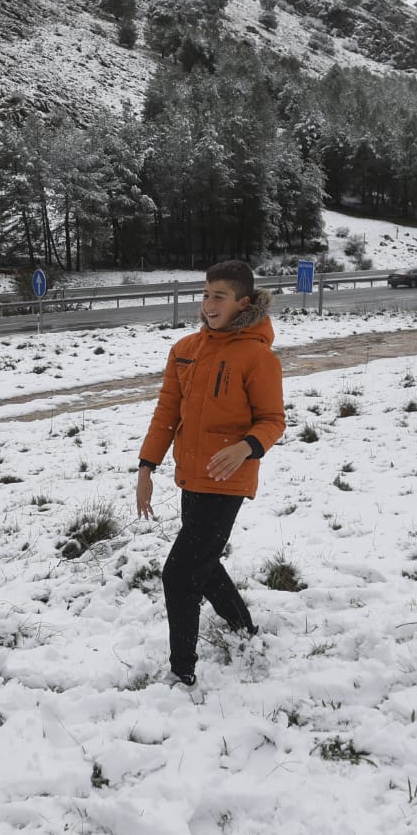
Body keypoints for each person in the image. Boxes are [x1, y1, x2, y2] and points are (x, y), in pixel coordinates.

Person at [135, 260, 285, 688]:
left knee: (180, 573)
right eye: (205, 294)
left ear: (244, 302)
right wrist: (147, 466)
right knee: (203, 562)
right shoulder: (185, 349)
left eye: (219, 296)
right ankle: (243, 628)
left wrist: (245, 447)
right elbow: (167, 412)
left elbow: (273, 419)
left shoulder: (257, 357)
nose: (208, 304)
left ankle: (182, 670)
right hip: (191, 475)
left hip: (229, 479)